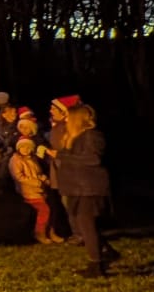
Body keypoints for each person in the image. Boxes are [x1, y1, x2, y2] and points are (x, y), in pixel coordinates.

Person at [46, 102, 111, 276]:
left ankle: (96, 264)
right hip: (77, 187)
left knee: (87, 224)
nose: (65, 120)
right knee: (84, 225)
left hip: (88, 188)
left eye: (69, 117)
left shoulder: (91, 136)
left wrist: (61, 156)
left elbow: (93, 159)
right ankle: (105, 252)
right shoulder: (76, 137)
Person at [9, 136, 56, 243]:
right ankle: (40, 233)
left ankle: (50, 232)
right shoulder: (15, 160)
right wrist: (36, 182)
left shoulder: (33, 158)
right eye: (23, 147)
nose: (26, 149)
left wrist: (43, 178)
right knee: (44, 210)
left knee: (50, 209)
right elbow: (19, 177)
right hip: (27, 191)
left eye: (28, 147)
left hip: (38, 189)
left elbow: (37, 172)